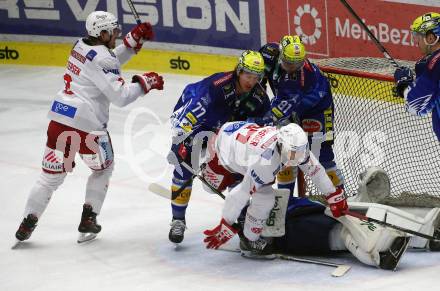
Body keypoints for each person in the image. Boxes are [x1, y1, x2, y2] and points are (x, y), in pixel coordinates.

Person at [14, 11, 164, 243]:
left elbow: (106, 63)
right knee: (104, 168)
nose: (116, 34)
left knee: (49, 178)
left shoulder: (80, 45)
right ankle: (88, 218)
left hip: (60, 121)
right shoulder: (103, 58)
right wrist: (145, 83)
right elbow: (121, 96)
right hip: (87, 129)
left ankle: (27, 222)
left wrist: (133, 41)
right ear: (101, 33)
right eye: (113, 31)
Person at [167, 50, 271, 244]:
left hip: (224, 130)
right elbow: (189, 115)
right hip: (200, 124)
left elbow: (266, 124)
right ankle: (178, 220)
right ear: (239, 71)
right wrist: (180, 141)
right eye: (248, 75)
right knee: (183, 166)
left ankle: (240, 215)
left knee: (239, 167)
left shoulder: (258, 97)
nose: (251, 80)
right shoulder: (216, 87)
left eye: (256, 77)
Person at [201, 121, 347, 258]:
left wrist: (333, 194)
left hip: (237, 135)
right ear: (281, 146)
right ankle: (249, 239)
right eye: (293, 154)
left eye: (301, 151)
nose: (298, 158)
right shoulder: (265, 162)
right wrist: (227, 223)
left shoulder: (296, 147)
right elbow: (239, 195)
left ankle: (250, 237)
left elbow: (314, 170)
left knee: (264, 194)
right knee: (214, 187)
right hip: (220, 152)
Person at [258, 35, 344, 197]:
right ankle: (286, 202)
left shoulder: (306, 76)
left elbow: (286, 106)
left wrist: (268, 119)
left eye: (298, 63)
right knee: (287, 154)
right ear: (281, 55)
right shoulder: (267, 54)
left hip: (317, 110)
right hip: (290, 106)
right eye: (290, 63)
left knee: (321, 155)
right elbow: (255, 80)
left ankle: (340, 197)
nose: (294, 67)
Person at [394, 12, 440, 141]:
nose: (416, 42)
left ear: (431, 38)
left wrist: (403, 85)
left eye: (417, 36)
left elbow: (416, 106)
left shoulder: (436, 63)